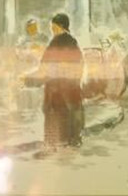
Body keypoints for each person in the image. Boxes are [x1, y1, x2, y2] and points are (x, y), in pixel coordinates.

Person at [24, 13, 85, 151]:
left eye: (54, 27)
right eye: (52, 27)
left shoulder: (63, 42)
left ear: (62, 26)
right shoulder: (62, 42)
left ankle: (62, 140)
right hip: (62, 85)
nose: (52, 29)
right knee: (61, 111)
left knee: (61, 111)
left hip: (62, 86)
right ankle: (66, 140)